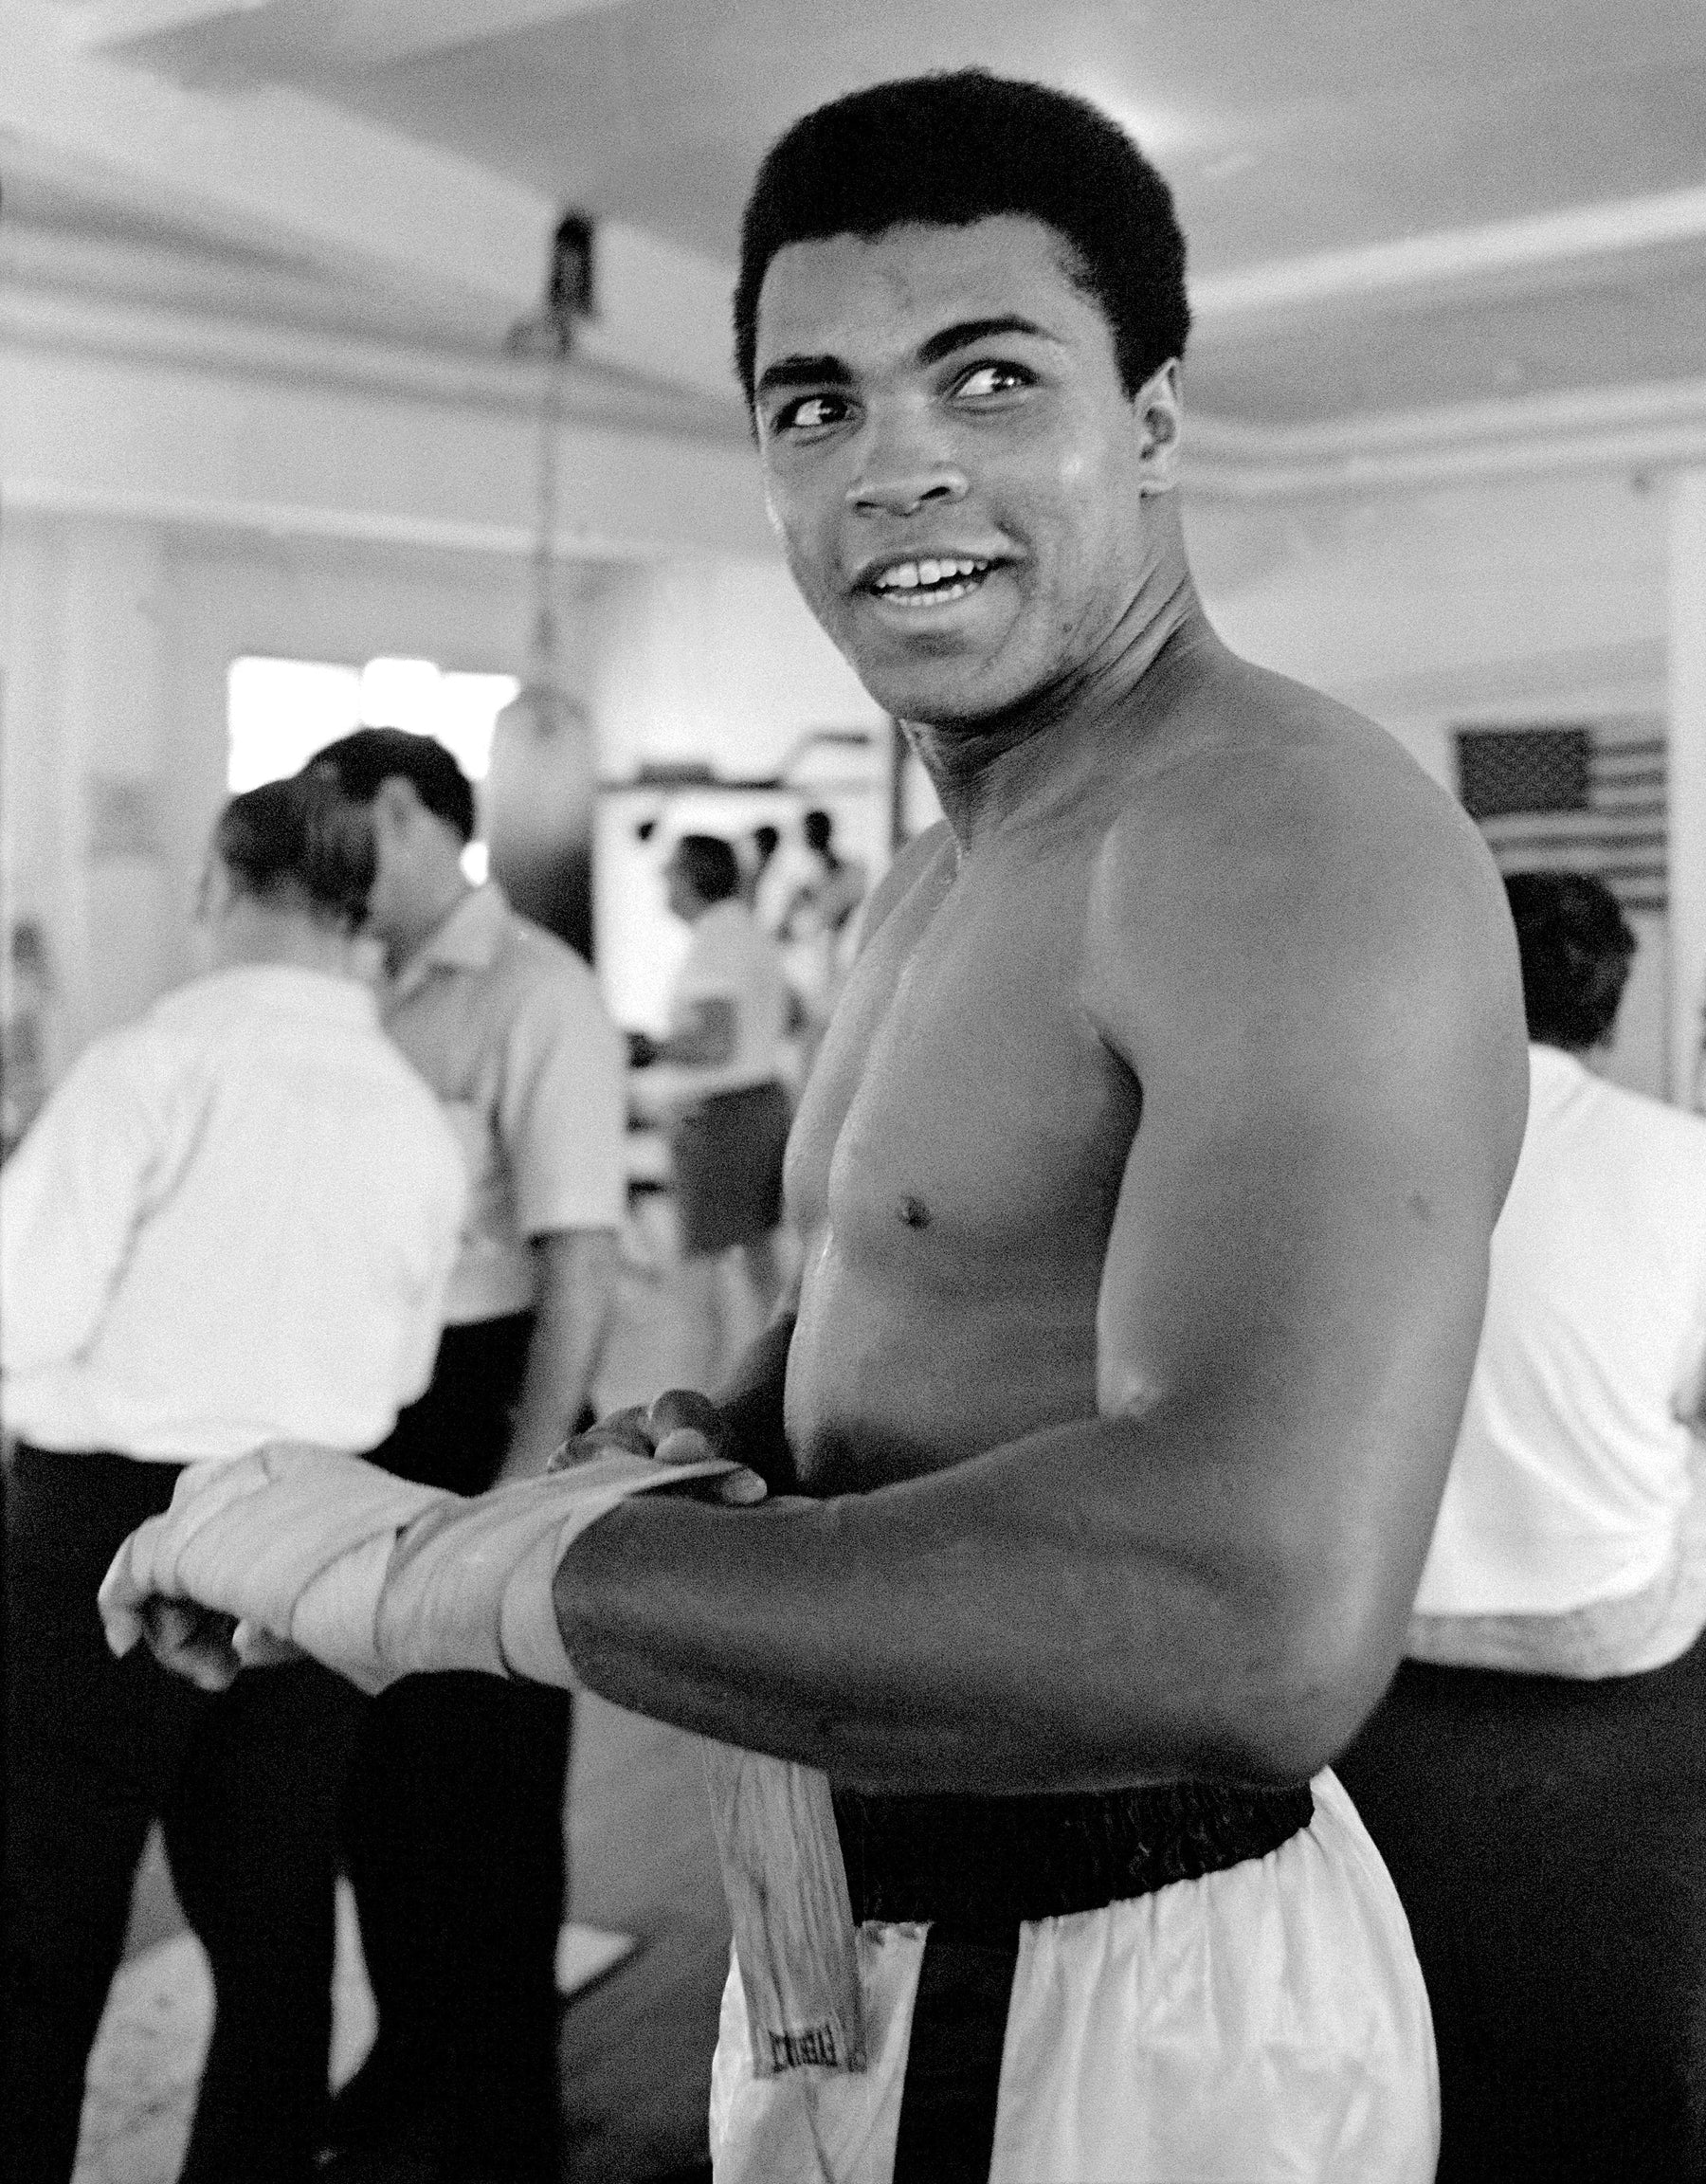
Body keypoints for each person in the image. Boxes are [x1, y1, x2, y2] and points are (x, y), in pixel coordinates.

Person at [100, 72, 1528, 2184]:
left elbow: (1260, 1616)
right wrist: (660, 1451)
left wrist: (440, 1576)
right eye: (816, 404)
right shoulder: (939, 871)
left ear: (1149, 416)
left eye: (988, 376)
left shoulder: (1284, 842)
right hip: (842, 1893)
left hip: (1108, 1974)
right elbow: (880, 1322)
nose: (894, 465)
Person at [1, 774, 465, 2184]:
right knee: (275, 1921)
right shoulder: (411, 1113)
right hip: (305, 1523)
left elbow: (22, 1310)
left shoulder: (153, 1064)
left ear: (216, 882)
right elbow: (398, 1375)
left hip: (103, 1524)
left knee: (41, 1917)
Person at [1335, 870, 1706, 2182]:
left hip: (1373, 1630)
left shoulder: (1358, 1148)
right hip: (1598, 1633)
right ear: (1613, 1003)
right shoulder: (1685, 1159)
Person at [301, 727, 626, 2184]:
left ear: (403, 814)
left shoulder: (538, 993)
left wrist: (526, 1482)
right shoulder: (349, 981)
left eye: (339, 827)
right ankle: (407, 2049)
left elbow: (582, 1259)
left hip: (482, 1398)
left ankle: (505, 2104)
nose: (329, 863)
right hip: (355, 1398)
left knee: (485, 1773)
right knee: (364, 1759)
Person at [631, 832, 792, 1386]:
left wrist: (645, 1047)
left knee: (697, 1274)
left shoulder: (719, 939)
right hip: (754, 1105)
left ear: (694, 877)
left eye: (669, 873)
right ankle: (770, 1381)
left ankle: (697, 1393)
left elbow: (715, 1042)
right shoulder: (739, 930)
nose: (662, 884)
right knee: (758, 1264)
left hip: (724, 1116)